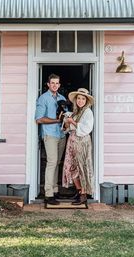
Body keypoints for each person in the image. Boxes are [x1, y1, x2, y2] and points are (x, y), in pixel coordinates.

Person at [35, 74, 66, 205]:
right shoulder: (43, 98)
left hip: (62, 134)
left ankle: (55, 189)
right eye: (52, 83)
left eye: (57, 83)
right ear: (48, 84)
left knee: (57, 162)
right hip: (50, 135)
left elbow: (65, 116)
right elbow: (39, 119)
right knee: (52, 162)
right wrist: (57, 120)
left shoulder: (62, 98)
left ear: (59, 85)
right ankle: (48, 193)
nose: (55, 85)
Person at [62, 88, 94, 205]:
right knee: (71, 166)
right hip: (73, 141)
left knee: (82, 166)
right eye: (79, 98)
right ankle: (79, 190)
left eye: (83, 99)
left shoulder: (88, 112)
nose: (80, 101)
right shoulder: (75, 112)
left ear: (86, 100)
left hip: (82, 142)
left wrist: (73, 122)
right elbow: (67, 128)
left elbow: (87, 128)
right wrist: (67, 122)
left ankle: (83, 194)